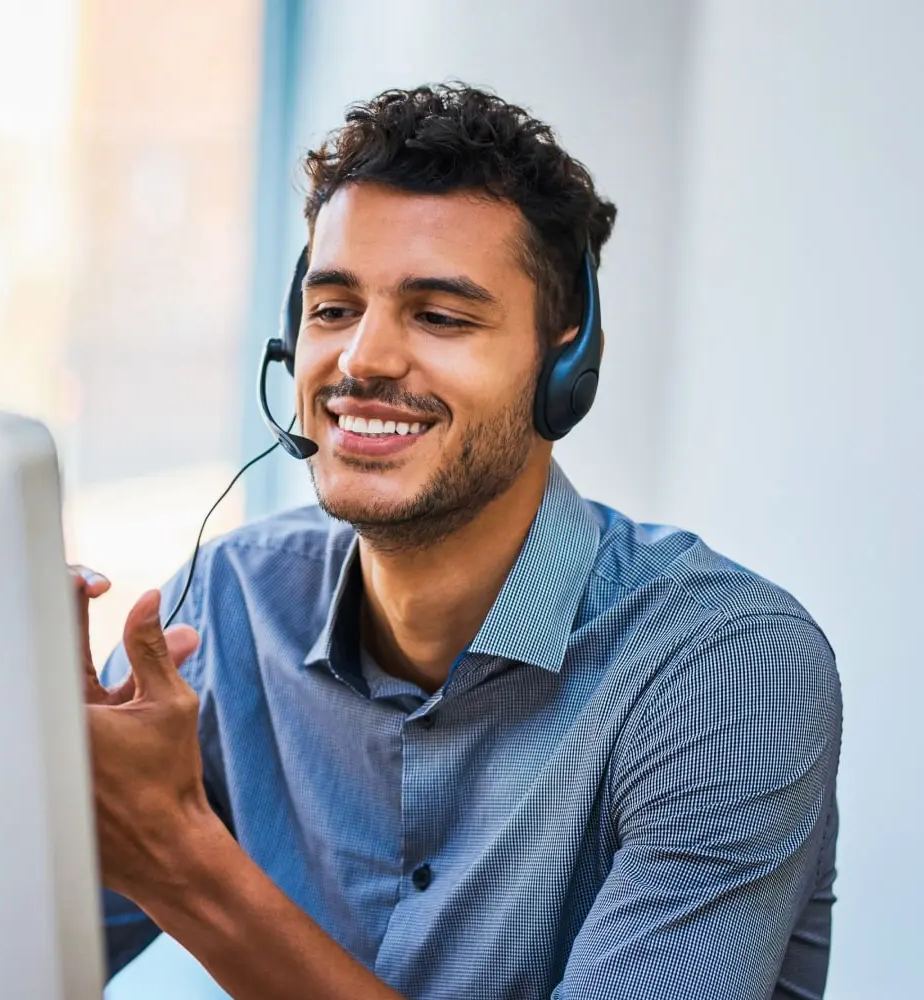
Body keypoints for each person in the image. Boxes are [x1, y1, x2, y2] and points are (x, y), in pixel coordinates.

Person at [79, 84, 842, 1000]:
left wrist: (180, 862)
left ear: (565, 368)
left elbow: (165, 856)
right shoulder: (233, 604)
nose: (362, 359)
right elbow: (4, 946)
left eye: (440, 316)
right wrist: (19, 767)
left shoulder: (726, 667)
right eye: (332, 309)